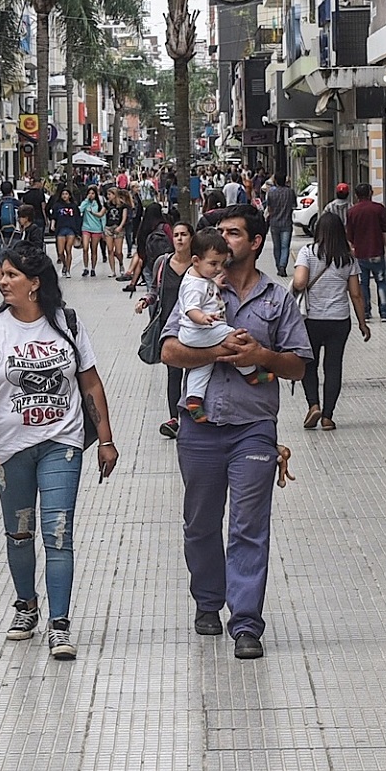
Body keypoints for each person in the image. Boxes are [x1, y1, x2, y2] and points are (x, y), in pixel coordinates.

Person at [160, 205, 311, 659]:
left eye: (233, 233)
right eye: (219, 233)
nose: (223, 240)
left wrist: (261, 355)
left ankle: (246, 622)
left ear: (256, 242)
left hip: (254, 428)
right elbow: (168, 350)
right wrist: (214, 352)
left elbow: (299, 365)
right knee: (201, 523)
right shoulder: (198, 289)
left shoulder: (276, 299)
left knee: (249, 526)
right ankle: (208, 600)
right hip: (200, 428)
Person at [0, 242, 118, 661]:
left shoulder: (65, 323)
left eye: (11, 275)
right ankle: (26, 606)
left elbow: (90, 382)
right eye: (3, 274)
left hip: (61, 444)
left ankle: (60, 624)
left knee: (58, 533)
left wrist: (105, 438)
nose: (2, 280)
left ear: (34, 283)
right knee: (19, 534)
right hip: (11, 451)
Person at [291, 212, 369, 432]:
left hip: (311, 321)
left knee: (309, 364)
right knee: (333, 367)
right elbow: (356, 294)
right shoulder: (348, 258)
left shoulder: (308, 252)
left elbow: (299, 282)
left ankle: (313, 404)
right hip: (339, 320)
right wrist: (363, 323)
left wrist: (299, 270)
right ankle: (328, 417)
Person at [174, 228, 262, 422]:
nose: (218, 269)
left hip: (197, 334)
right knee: (235, 339)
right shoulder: (192, 285)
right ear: (196, 261)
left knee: (202, 365)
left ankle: (194, 400)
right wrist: (202, 318)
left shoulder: (201, 278)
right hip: (199, 330)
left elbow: (206, 288)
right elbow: (190, 309)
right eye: (213, 264)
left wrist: (215, 283)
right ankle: (250, 373)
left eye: (221, 264)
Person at [143, 218, 196, 439]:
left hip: (194, 328)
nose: (180, 239)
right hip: (169, 328)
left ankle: (193, 417)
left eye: (184, 234)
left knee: (194, 372)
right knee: (173, 373)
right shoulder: (163, 263)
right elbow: (155, 289)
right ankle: (174, 418)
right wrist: (146, 299)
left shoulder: (198, 264)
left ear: (191, 238)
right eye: (176, 235)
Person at [344, 183, 386, 321]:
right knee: (381, 282)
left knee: (363, 284)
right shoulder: (378, 209)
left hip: (360, 254)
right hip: (377, 251)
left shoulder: (352, 212)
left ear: (356, 195)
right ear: (371, 193)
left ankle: (366, 311)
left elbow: (349, 234)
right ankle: (384, 311)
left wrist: (352, 249)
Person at [261, 175, 298, 276]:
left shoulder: (272, 192)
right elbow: (294, 205)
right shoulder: (290, 192)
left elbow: (269, 208)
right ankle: (283, 266)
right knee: (285, 246)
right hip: (287, 222)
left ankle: (278, 266)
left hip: (274, 222)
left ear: (276, 181)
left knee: (277, 246)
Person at [50, 188, 82, 277]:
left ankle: (68, 270)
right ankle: (64, 264)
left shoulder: (73, 206)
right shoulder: (57, 206)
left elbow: (77, 218)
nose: (64, 196)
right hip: (60, 229)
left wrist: (78, 231)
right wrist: (52, 225)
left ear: (70, 196)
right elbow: (54, 216)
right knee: (60, 252)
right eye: (63, 194)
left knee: (68, 249)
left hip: (71, 229)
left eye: (66, 194)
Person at [78, 186, 106, 277]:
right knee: (85, 248)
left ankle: (93, 268)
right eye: (89, 193)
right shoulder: (85, 203)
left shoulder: (98, 205)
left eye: (93, 193)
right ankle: (85, 268)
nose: (91, 195)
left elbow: (102, 217)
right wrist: (86, 200)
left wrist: (103, 229)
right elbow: (80, 210)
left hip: (96, 229)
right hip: (86, 227)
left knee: (94, 249)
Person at [104, 189, 130, 279]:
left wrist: (120, 226)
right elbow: (101, 213)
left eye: (110, 194)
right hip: (109, 227)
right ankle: (112, 270)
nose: (108, 196)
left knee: (118, 251)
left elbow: (124, 217)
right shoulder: (107, 204)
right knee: (110, 250)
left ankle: (121, 263)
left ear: (115, 195)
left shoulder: (123, 205)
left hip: (118, 227)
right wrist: (93, 213)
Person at [0, 182, 23, 250]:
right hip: (15, 233)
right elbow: (21, 219)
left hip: (0, 234)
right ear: (11, 190)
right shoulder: (18, 203)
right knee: (14, 256)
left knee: (2, 257)